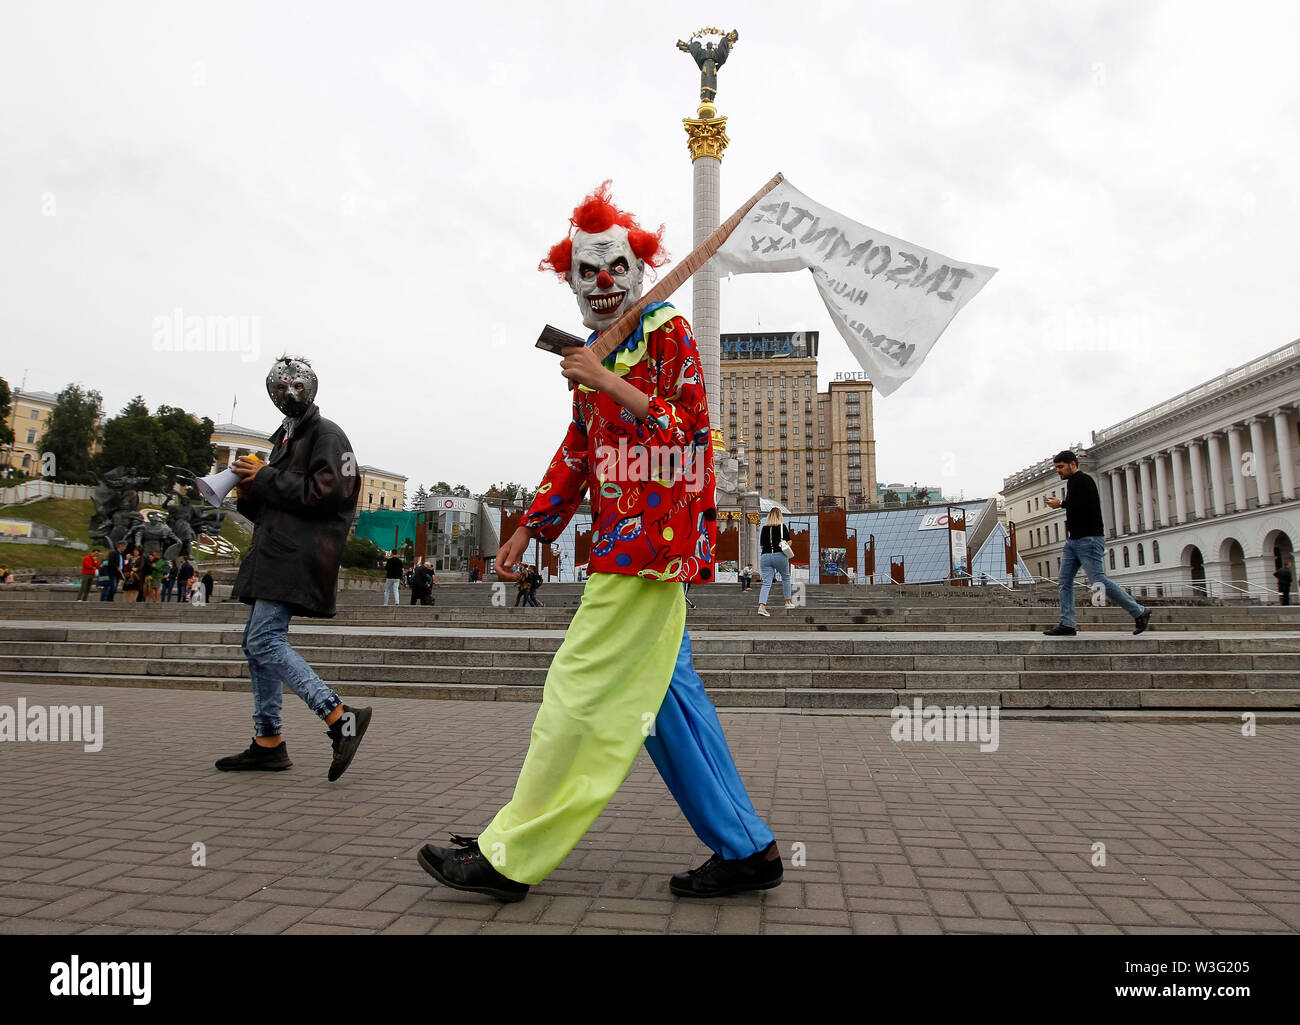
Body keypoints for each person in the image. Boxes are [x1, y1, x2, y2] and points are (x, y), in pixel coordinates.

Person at [418, 182, 780, 902]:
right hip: (623, 544)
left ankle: (511, 854)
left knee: (575, 693)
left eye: (614, 266)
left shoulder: (668, 332)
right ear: (573, 279)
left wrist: (609, 381)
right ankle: (748, 848)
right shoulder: (597, 350)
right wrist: (531, 525)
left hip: (650, 549)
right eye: (588, 271)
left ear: (638, 268)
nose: (604, 282)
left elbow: (690, 436)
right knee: (668, 711)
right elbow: (580, 451)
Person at [216, 355, 372, 781]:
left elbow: (331, 492)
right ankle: (268, 742)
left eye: (295, 386)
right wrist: (246, 492)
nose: (287, 394)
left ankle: (341, 718)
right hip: (274, 552)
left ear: (311, 388)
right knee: (256, 643)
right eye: (279, 388)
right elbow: (280, 501)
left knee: (264, 640)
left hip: (298, 554)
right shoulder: (283, 440)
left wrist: (265, 477)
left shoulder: (327, 434)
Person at [1043, 450, 1150, 637]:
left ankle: (1139, 611)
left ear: (1073, 464)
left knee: (1098, 581)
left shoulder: (1084, 480)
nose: (1058, 471)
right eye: (1056, 467)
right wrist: (1064, 504)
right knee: (1064, 582)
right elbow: (1076, 505)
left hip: (1089, 539)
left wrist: (1061, 503)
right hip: (1073, 541)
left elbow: (1086, 505)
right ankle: (1067, 623)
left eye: (1060, 467)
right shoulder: (1072, 482)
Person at [757, 509, 793, 617]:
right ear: (779, 516)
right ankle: (787, 602)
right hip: (779, 555)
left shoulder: (764, 528)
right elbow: (789, 542)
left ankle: (762, 606)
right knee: (785, 578)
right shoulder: (782, 527)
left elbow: (762, 546)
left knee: (766, 583)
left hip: (765, 557)